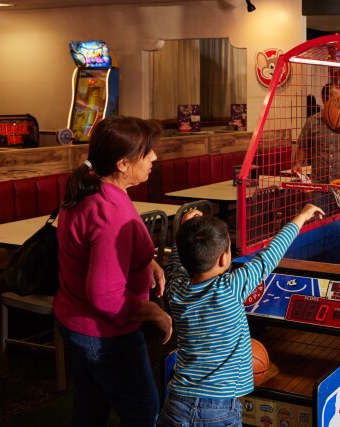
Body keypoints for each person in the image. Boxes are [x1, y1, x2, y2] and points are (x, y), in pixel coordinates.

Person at [159, 203, 324, 427]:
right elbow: (271, 254)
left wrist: (185, 228)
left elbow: (175, 268)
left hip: (176, 403)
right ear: (223, 259)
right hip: (219, 408)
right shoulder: (231, 286)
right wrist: (301, 216)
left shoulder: (176, 291)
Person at [53, 115, 172, 427]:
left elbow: (99, 250)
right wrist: (154, 312)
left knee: (91, 409)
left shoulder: (92, 186)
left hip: (76, 320)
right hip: (105, 333)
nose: (154, 158)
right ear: (122, 163)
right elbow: (105, 296)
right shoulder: (110, 211)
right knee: (144, 412)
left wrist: (146, 261)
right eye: (148, 152)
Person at [293, 82, 340, 185]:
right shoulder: (312, 122)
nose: (338, 102)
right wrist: (298, 163)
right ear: (324, 99)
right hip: (319, 184)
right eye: (335, 98)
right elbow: (303, 146)